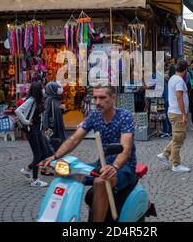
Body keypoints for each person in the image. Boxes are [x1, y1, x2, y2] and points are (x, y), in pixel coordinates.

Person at [43, 86, 137, 222]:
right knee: (65, 173)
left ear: (113, 98)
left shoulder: (124, 116)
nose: (98, 102)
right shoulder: (94, 115)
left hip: (124, 167)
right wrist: (55, 156)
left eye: (102, 97)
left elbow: (126, 148)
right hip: (101, 164)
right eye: (95, 98)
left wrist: (115, 166)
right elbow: (74, 138)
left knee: (100, 182)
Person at [156, 60, 190, 173]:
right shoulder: (179, 81)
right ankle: (176, 164)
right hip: (177, 112)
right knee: (178, 139)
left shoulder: (172, 78)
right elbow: (179, 97)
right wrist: (184, 114)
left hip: (174, 111)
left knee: (179, 136)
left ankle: (165, 154)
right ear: (185, 69)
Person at [17, 82, 52, 187]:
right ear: (38, 90)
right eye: (42, 88)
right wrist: (26, 122)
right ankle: (35, 180)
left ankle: (27, 169)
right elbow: (18, 110)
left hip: (38, 130)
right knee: (37, 155)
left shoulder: (37, 100)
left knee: (45, 154)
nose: (43, 90)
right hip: (32, 130)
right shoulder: (31, 100)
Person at [43, 81, 66, 152]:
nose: (58, 89)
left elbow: (58, 111)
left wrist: (62, 109)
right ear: (52, 89)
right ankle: (53, 155)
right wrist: (46, 127)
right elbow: (46, 113)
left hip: (58, 123)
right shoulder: (49, 99)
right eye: (57, 88)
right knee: (52, 141)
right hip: (52, 125)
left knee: (59, 140)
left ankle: (59, 154)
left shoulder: (57, 98)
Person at [160, 68, 172, 137]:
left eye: (167, 74)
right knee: (167, 115)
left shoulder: (164, 81)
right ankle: (169, 130)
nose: (166, 75)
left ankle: (166, 130)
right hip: (169, 99)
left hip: (165, 99)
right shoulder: (170, 81)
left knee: (165, 115)